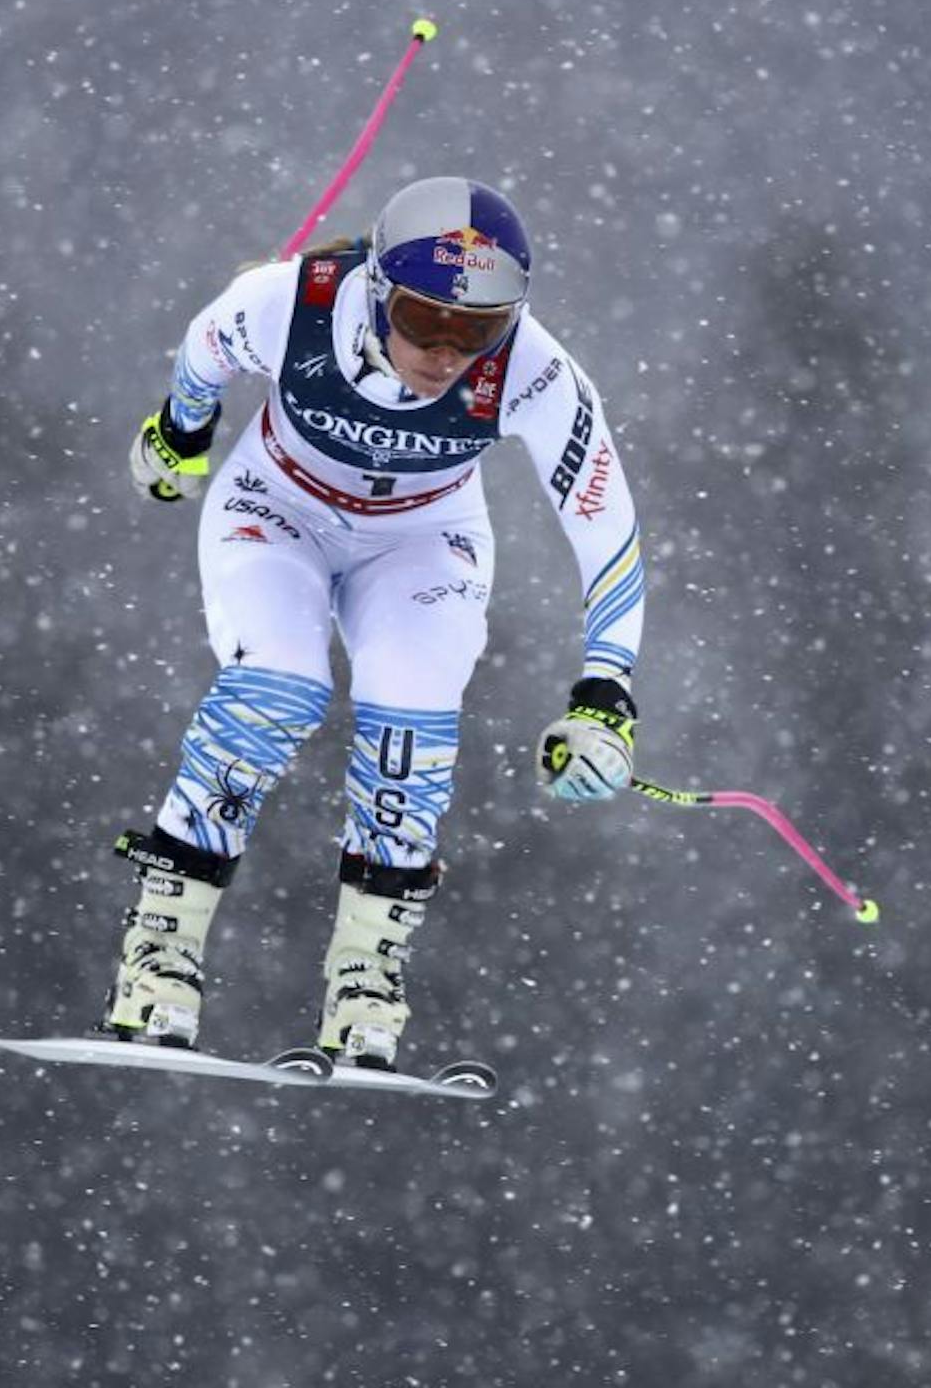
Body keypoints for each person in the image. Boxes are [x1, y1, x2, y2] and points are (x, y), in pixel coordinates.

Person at [99, 175, 646, 1071]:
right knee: (278, 685)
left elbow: (608, 532)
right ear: (378, 288)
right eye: (424, 320)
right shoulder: (288, 300)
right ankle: (157, 956)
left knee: (411, 714)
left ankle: (366, 977)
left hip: (423, 536)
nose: (445, 353)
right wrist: (181, 433)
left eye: (476, 330)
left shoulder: (536, 369)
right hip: (277, 508)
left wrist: (606, 693)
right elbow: (205, 348)